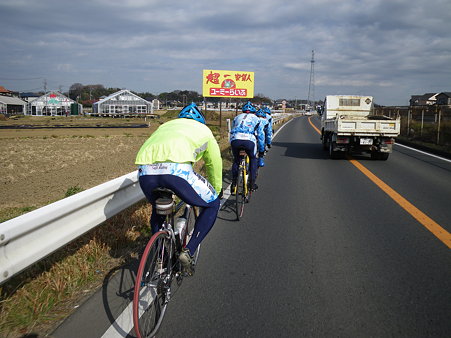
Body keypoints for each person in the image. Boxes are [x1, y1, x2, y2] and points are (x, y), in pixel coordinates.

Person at [135, 102, 222, 275]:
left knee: (159, 208)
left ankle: (161, 254)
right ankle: (188, 251)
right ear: (200, 121)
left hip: (146, 172)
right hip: (177, 172)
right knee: (212, 204)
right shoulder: (204, 130)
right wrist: (216, 189)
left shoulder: (165, 126)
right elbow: (214, 163)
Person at [229, 101, 265, 193]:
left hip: (235, 139)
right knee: (253, 159)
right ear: (253, 111)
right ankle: (252, 184)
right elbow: (261, 136)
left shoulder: (237, 117)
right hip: (249, 140)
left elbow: (233, 129)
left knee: (237, 160)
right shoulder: (257, 119)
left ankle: (234, 183)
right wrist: (261, 151)